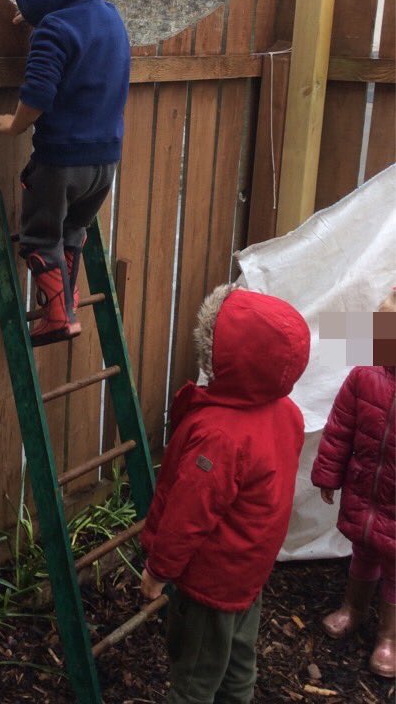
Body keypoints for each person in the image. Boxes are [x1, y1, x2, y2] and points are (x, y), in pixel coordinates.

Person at [140, 285, 310, 703]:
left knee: (194, 674)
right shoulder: (285, 412)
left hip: (208, 580)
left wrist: (159, 570)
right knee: (237, 657)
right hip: (248, 570)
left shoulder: (219, 435)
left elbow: (189, 515)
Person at [0, 0, 130, 346]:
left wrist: (17, 124)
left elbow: (39, 90)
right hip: (105, 164)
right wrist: (34, 18)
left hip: (60, 162)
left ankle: (55, 315)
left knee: (38, 234)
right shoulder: (109, 18)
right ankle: (68, 304)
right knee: (71, 232)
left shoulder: (54, 29)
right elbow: (83, 53)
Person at [310, 287, 396, 679]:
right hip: (366, 492)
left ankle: (388, 636)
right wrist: (329, 474)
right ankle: (354, 609)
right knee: (363, 552)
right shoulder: (363, 379)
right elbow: (339, 430)